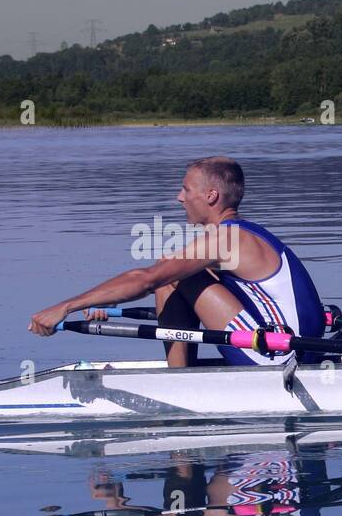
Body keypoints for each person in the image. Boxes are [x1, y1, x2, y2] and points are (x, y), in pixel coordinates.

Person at [29, 156, 325, 366]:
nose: (179, 197)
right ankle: (179, 376)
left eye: (186, 189)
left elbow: (146, 279)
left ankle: (178, 380)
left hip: (280, 353)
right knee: (173, 274)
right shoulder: (245, 233)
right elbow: (172, 293)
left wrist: (65, 306)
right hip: (298, 346)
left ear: (211, 196)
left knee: (169, 273)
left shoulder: (227, 240)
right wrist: (105, 305)